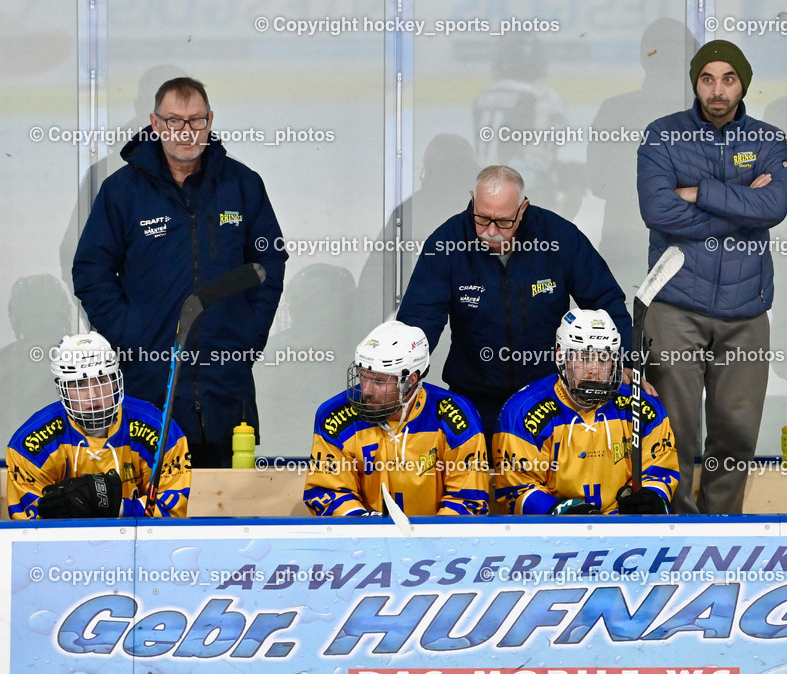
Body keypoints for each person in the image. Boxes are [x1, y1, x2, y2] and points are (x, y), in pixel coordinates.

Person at [72, 76, 286, 468]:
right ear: (155, 124)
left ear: (210, 121)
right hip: (152, 385)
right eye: (174, 121)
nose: (186, 132)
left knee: (227, 511)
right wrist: (130, 335)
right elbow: (90, 271)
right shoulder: (122, 192)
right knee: (153, 510)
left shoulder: (242, 185)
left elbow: (268, 263)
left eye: (196, 120)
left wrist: (248, 335)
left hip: (227, 384)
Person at [636, 40, 787, 514]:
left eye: (728, 78)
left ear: (742, 83)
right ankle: (677, 532)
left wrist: (698, 192)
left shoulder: (769, 140)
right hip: (675, 307)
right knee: (675, 436)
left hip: (746, 312)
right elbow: (658, 210)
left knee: (737, 433)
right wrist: (742, 205)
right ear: (695, 83)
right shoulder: (661, 136)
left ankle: (723, 530)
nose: (717, 90)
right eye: (708, 78)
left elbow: (776, 207)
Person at [397, 165, 632, 449]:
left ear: (523, 209)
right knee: (476, 487)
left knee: (544, 484)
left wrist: (625, 361)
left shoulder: (560, 238)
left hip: (548, 395)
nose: (492, 232)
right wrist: (400, 374)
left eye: (504, 222)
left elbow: (604, 301)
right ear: (472, 199)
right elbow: (419, 319)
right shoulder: (446, 244)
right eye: (482, 219)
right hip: (474, 398)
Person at [494, 309, 678, 515]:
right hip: (553, 536)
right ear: (560, 356)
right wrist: (560, 512)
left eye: (603, 359)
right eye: (584, 358)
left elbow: (660, 470)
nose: (594, 370)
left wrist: (653, 497)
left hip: (624, 533)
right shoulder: (522, 411)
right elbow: (516, 489)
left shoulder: (642, 407)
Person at [304, 321, 490, 517]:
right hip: (362, 542)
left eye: (379, 381)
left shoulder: (457, 417)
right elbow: (327, 491)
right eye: (363, 376)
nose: (365, 390)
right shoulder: (334, 416)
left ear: (411, 379)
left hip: (436, 545)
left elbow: (468, 500)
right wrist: (362, 524)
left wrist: (428, 540)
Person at [6, 332, 190, 519]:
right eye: (79, 384)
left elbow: (172, 511)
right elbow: (27, 529)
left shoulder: (160, 430)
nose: (93, 395)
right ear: (63, 389)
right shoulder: (30, 444)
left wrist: (118, 508)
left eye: (102, 381)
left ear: (115, 381)